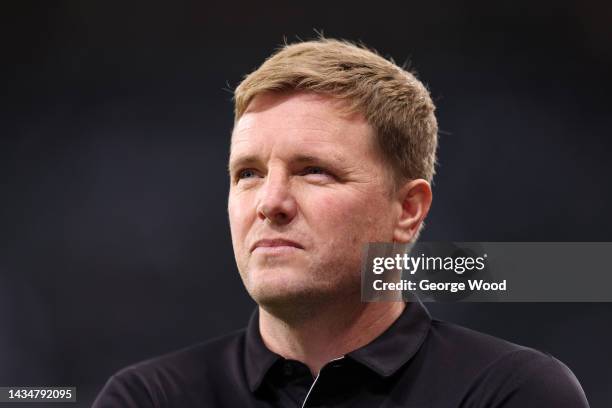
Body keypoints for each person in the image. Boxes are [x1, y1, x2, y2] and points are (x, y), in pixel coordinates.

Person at [93, 38, 589, 407]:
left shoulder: (510, 392)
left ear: (408, 210)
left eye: (314, 171)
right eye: (248, 173)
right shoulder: (147, 398)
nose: (270, 202)